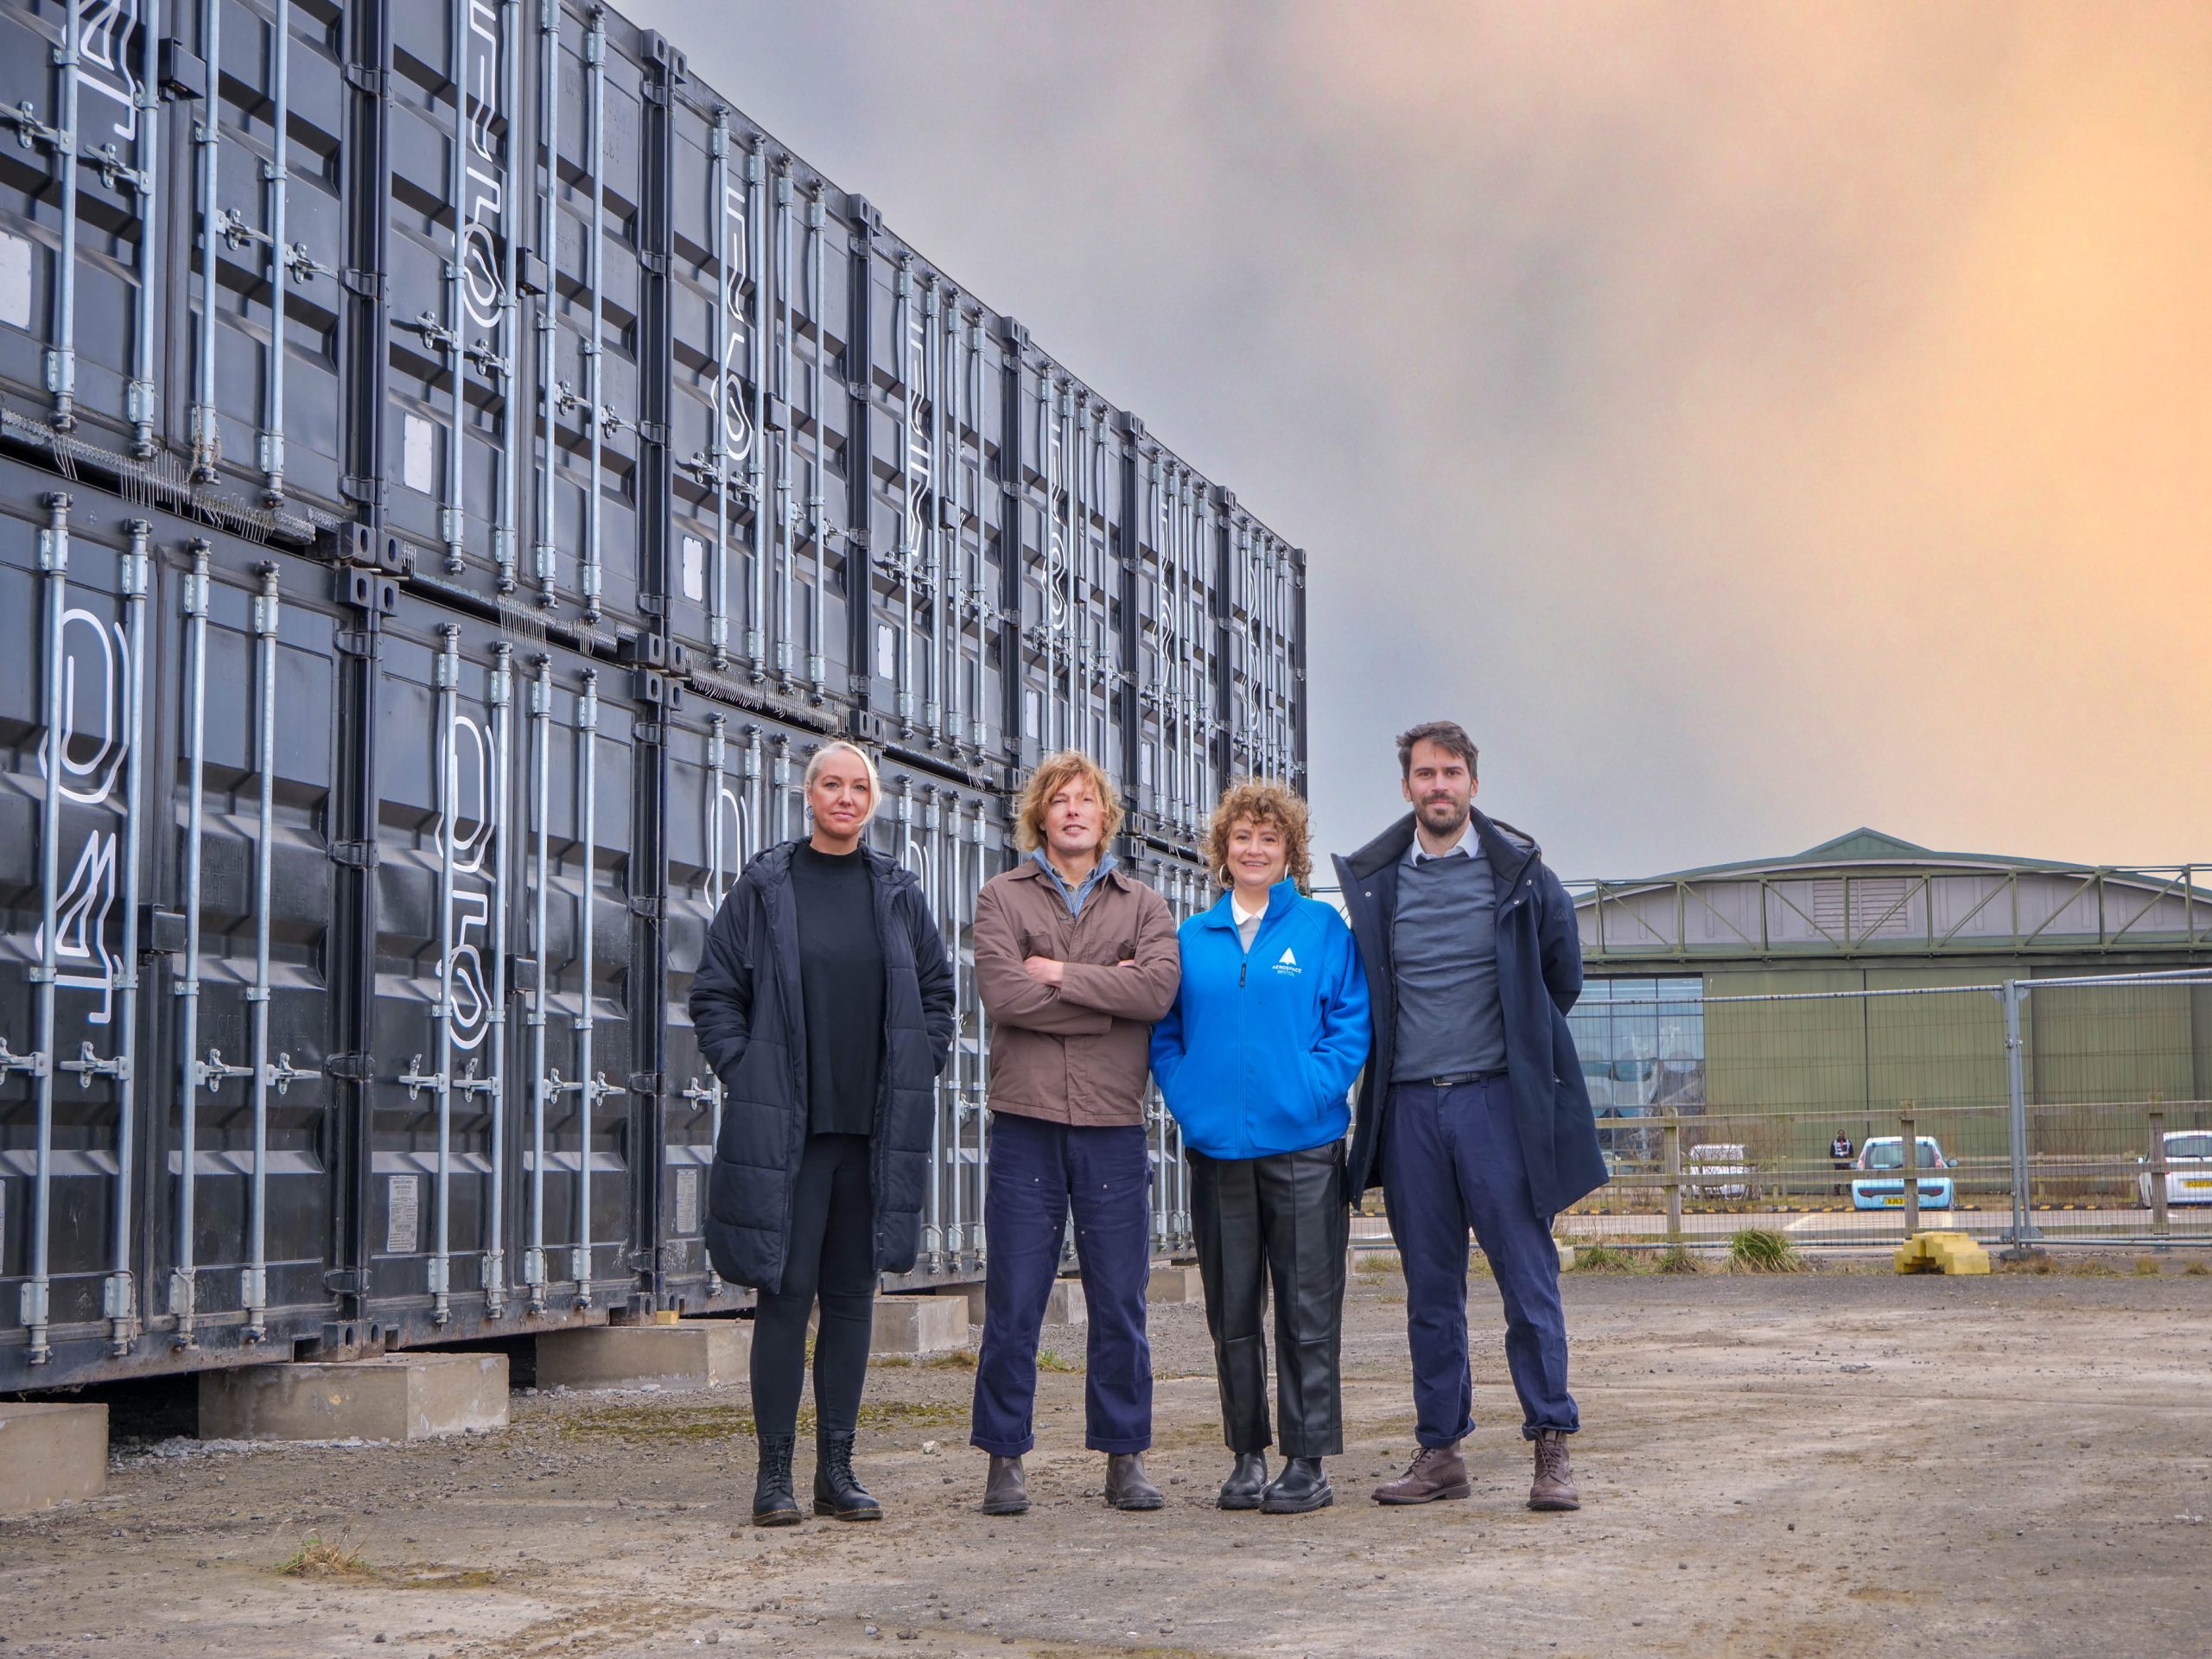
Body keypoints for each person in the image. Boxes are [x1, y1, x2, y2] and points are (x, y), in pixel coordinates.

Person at [1332, 721, 1608, 1513]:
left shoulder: (1521, 875)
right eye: (1426, 774)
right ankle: (1441, 1450)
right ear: (1407, 787)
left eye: (1451, 772)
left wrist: (1512, 1048)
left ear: (1473, 784)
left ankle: (1551, 1444)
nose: (1439, 786)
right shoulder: (1380, 884)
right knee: (1431, 1292)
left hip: (1497, 1106)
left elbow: (1560, 978)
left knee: (1527, 1280)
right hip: (1410, 1108)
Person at [690, 740, 957, 1527]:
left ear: (873, 801)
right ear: (808, 795)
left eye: (859, 787)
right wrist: (749, 1071)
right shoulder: (766, 887)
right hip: (790, 1136)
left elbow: (937, 994)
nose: (845, 797)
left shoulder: (897, 893)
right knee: (783, 1296)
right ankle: (773, 1477)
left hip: (871, 1134)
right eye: (832, 785)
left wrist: (921, 1061)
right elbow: (715, 992)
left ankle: (836, 1472)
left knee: (850, 1300)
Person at [969, 750, 1180, 1515]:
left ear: (1105, 816)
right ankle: (1004, 1459)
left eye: (1085, 799)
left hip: (1112, 1125)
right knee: (1014, 1300)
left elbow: (1155, 992)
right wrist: (1106, 996)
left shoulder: (1145, 906)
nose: (1072, 810)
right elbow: (1004, 996)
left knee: (1120, 1301)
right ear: (1041, 814)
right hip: (1025, 1124)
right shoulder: (1000, 897)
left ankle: (1125, 1457)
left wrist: (1057, 974)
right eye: (1059, 799)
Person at [1151, 780, 1370, 1514]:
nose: (1254, 849)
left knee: (1308, 1312)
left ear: (1289, 852)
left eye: (1269, 839)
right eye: (1242, 837)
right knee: (1233, 1312)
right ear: (1223, 849)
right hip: (1219, 1152)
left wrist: (1310, 1090)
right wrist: (1191, 1099)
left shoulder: (1322, 930)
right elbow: (1165, 1033)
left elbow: (1351, 1025)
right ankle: (1246, 1455)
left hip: (1305, 1150)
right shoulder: (1191, 938)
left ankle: (1307, 1462)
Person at [1831, 1130, 1855, 1198]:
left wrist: (1849, 1159)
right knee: (1837, 1177)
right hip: (1838, 1163)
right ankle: (1836, 1191)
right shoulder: (1834, 1142)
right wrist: (1835, 1161)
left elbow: (1851, 1152)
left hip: (1846, 1162)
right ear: (1838, 1134)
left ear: (1844, 1134)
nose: (1841, 1135)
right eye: (1840, 1134)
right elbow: (1831, 1153)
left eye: (1842, 1134)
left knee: (1848, 1176)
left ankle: (1849, 1191)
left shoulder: (1848, 1142)